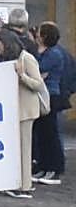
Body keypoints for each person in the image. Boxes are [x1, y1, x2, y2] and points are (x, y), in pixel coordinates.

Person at [0, 28, 44, 198]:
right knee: (18, 148)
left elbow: (38, 84)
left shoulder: (27, 59)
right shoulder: (10, 59)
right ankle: (18, 182)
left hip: (26, 110)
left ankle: (25, 186)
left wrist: (22, 75)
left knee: (24, 148)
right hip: (15, 110)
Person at [33, 21, 68, 186]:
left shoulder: (54, 54)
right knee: (42, 133)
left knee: (51, 133)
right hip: (41, 95)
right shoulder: (46, 52)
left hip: (50, 95)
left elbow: (39, 71)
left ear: (44, 36)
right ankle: (43, 165)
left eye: (39, 33)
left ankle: (54, 169)